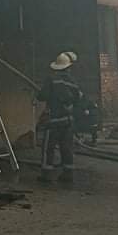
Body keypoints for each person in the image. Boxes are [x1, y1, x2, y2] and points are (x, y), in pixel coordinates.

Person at [37, 51, 83, 183]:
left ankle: (46, 175)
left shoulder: (51, 79)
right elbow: (79, 98)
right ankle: (68, 174)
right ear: (69, 67)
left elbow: (42, 96)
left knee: (48, 148)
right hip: (68, 121)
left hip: (53, 121)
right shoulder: (73, 82)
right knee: (67, 148)